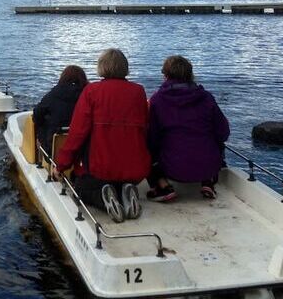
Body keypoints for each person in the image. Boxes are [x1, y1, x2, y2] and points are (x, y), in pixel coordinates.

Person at [53, 49, 150, 223]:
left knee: (81, 188)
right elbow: (145, 127)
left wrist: (61, 166)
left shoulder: (92, 91)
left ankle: (102, 199)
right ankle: (125, 191)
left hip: (100, 169)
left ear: (101, 68)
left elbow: (77, 133)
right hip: (134, 170)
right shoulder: (138, 91)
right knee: (121, 179)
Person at [146, 55, 230, 201]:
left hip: (172, 167)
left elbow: (152, 138)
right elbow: (223, 132)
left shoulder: (157, 100)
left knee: (146, 145)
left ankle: (163, 186)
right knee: (216, 140)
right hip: (207, 165)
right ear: (191, 75)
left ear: (165, 76)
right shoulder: (206, 98)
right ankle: (208, 181)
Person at [33, 65, 88, 159]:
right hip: (82, 147)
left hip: (54, 146)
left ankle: (39, 157)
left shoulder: (55, 93)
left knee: (40, 124)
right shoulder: (88, 94)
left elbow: (38, 114)